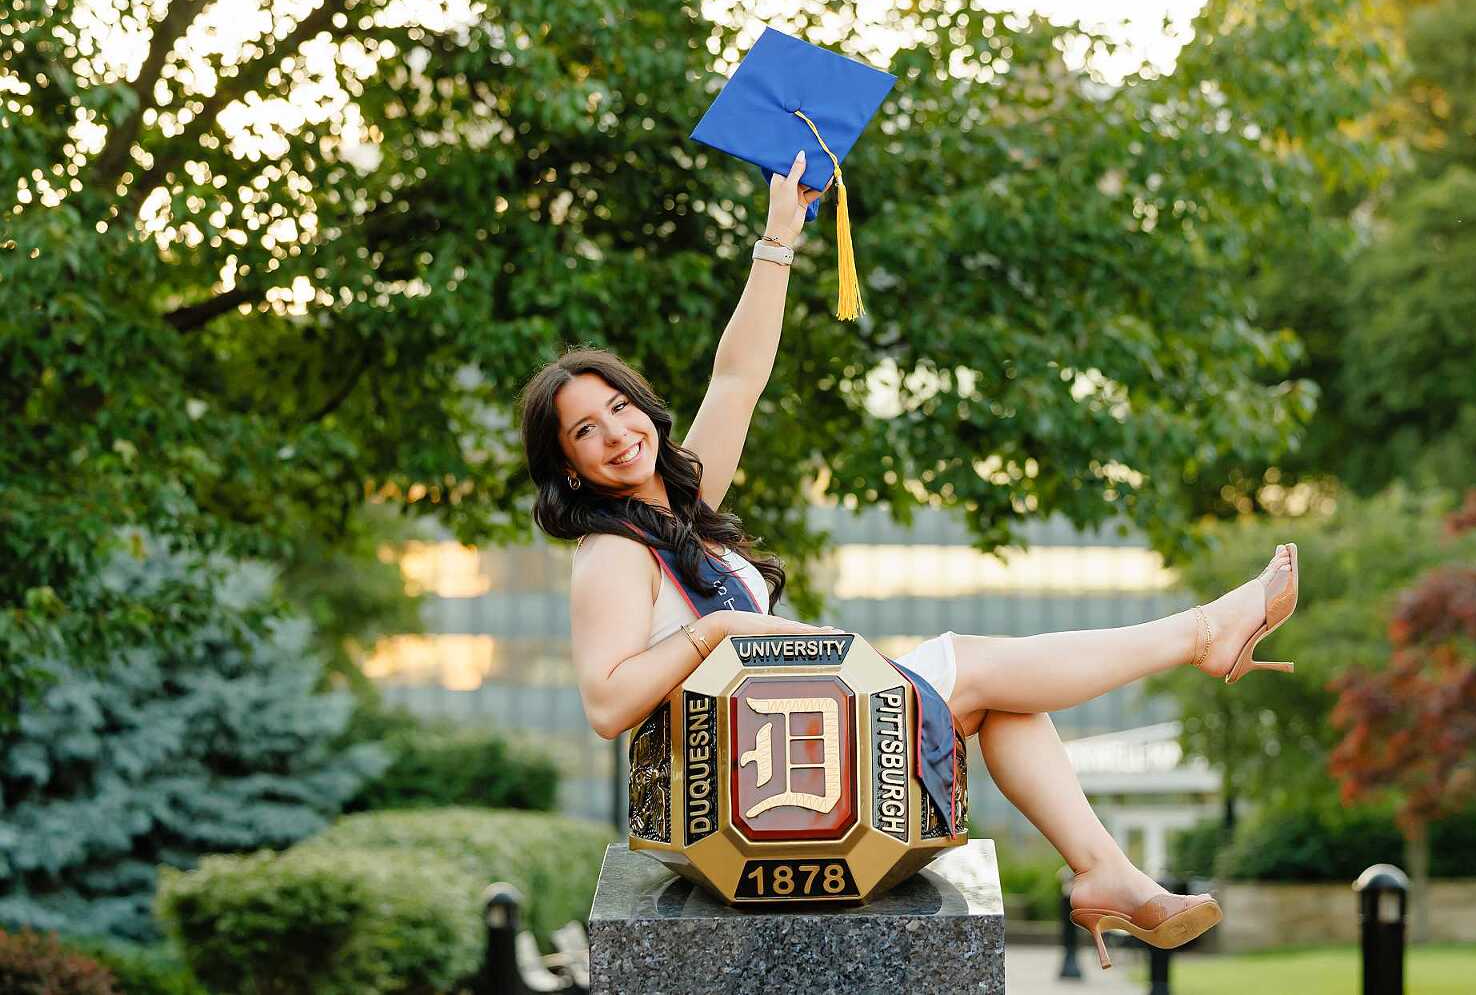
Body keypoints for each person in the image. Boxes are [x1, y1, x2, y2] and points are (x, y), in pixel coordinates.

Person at [518, 151, 1299, 970]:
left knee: (1007, 699)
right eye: (586, 430)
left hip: (790, 749)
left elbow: (739, 375)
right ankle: (1202, 635)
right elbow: (606, 705)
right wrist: (718, 634)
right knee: (975, 665)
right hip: (757, 779)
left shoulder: (681, 506)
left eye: (619, 405)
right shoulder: (612, 548)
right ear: (569, 464)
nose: (617, 433)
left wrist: (777, 238)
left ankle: (1103, 866)